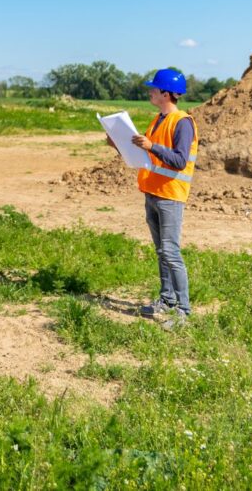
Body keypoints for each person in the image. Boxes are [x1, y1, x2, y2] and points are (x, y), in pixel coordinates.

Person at [108, 68, 198, 330]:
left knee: (171, 252)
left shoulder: (182, 122)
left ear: (166, 93)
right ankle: (167, 300)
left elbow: (179, 160)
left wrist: (151, 146)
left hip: (170, 195)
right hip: (152, 192)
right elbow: (148, 157)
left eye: (154, 88)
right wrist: (119, 144)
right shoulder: (158, 119)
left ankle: (183, 311)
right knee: (161, 252)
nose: (150, 91)